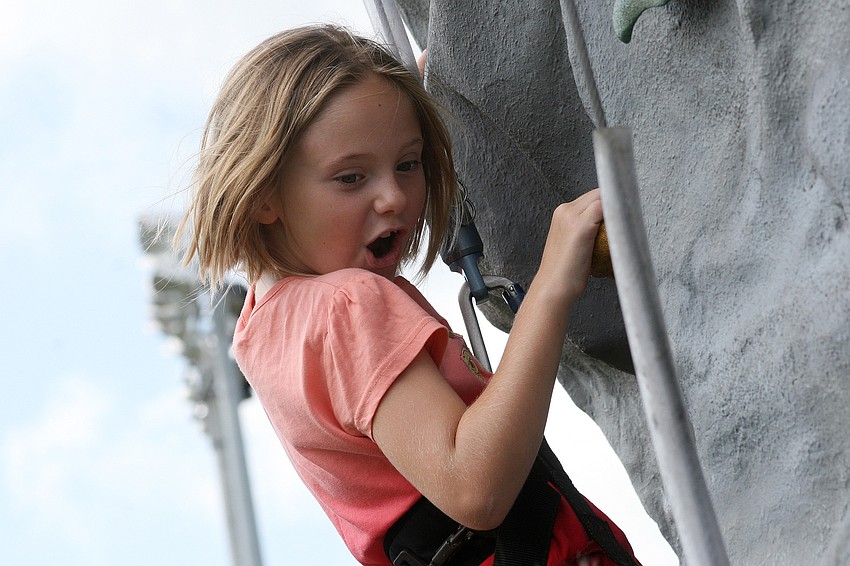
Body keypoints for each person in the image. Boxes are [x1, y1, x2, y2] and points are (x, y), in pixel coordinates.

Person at [177, 24, 639, 566]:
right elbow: (476, 488)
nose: (393, 197)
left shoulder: (263, 328)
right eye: (351, 178)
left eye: (408, 163)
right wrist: (553, 284)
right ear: (264, 195)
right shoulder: (348, 306)